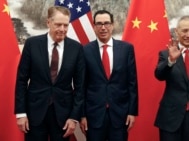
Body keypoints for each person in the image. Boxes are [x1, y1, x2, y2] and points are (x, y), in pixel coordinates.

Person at [15, 6, 85, 141]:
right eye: (58, 24)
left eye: (66, 25)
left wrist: (74, 117)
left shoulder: (77, 48)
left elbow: (80, 86)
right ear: (48, 22)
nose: (62, 29)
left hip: (63, 115)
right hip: (34, 113)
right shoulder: (32, 44)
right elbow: (21, 80)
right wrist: (21, 113)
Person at [80, 10, 138, 141]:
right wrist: (82, 115)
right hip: (93, 116)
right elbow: (81, 86)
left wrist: (132, 112)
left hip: (120, 114)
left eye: (106, 23)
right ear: (94, 26)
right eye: (99, 24)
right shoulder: (85, 50)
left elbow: (132, 83)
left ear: (113, 25)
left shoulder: (126, 49)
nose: (103, 27)